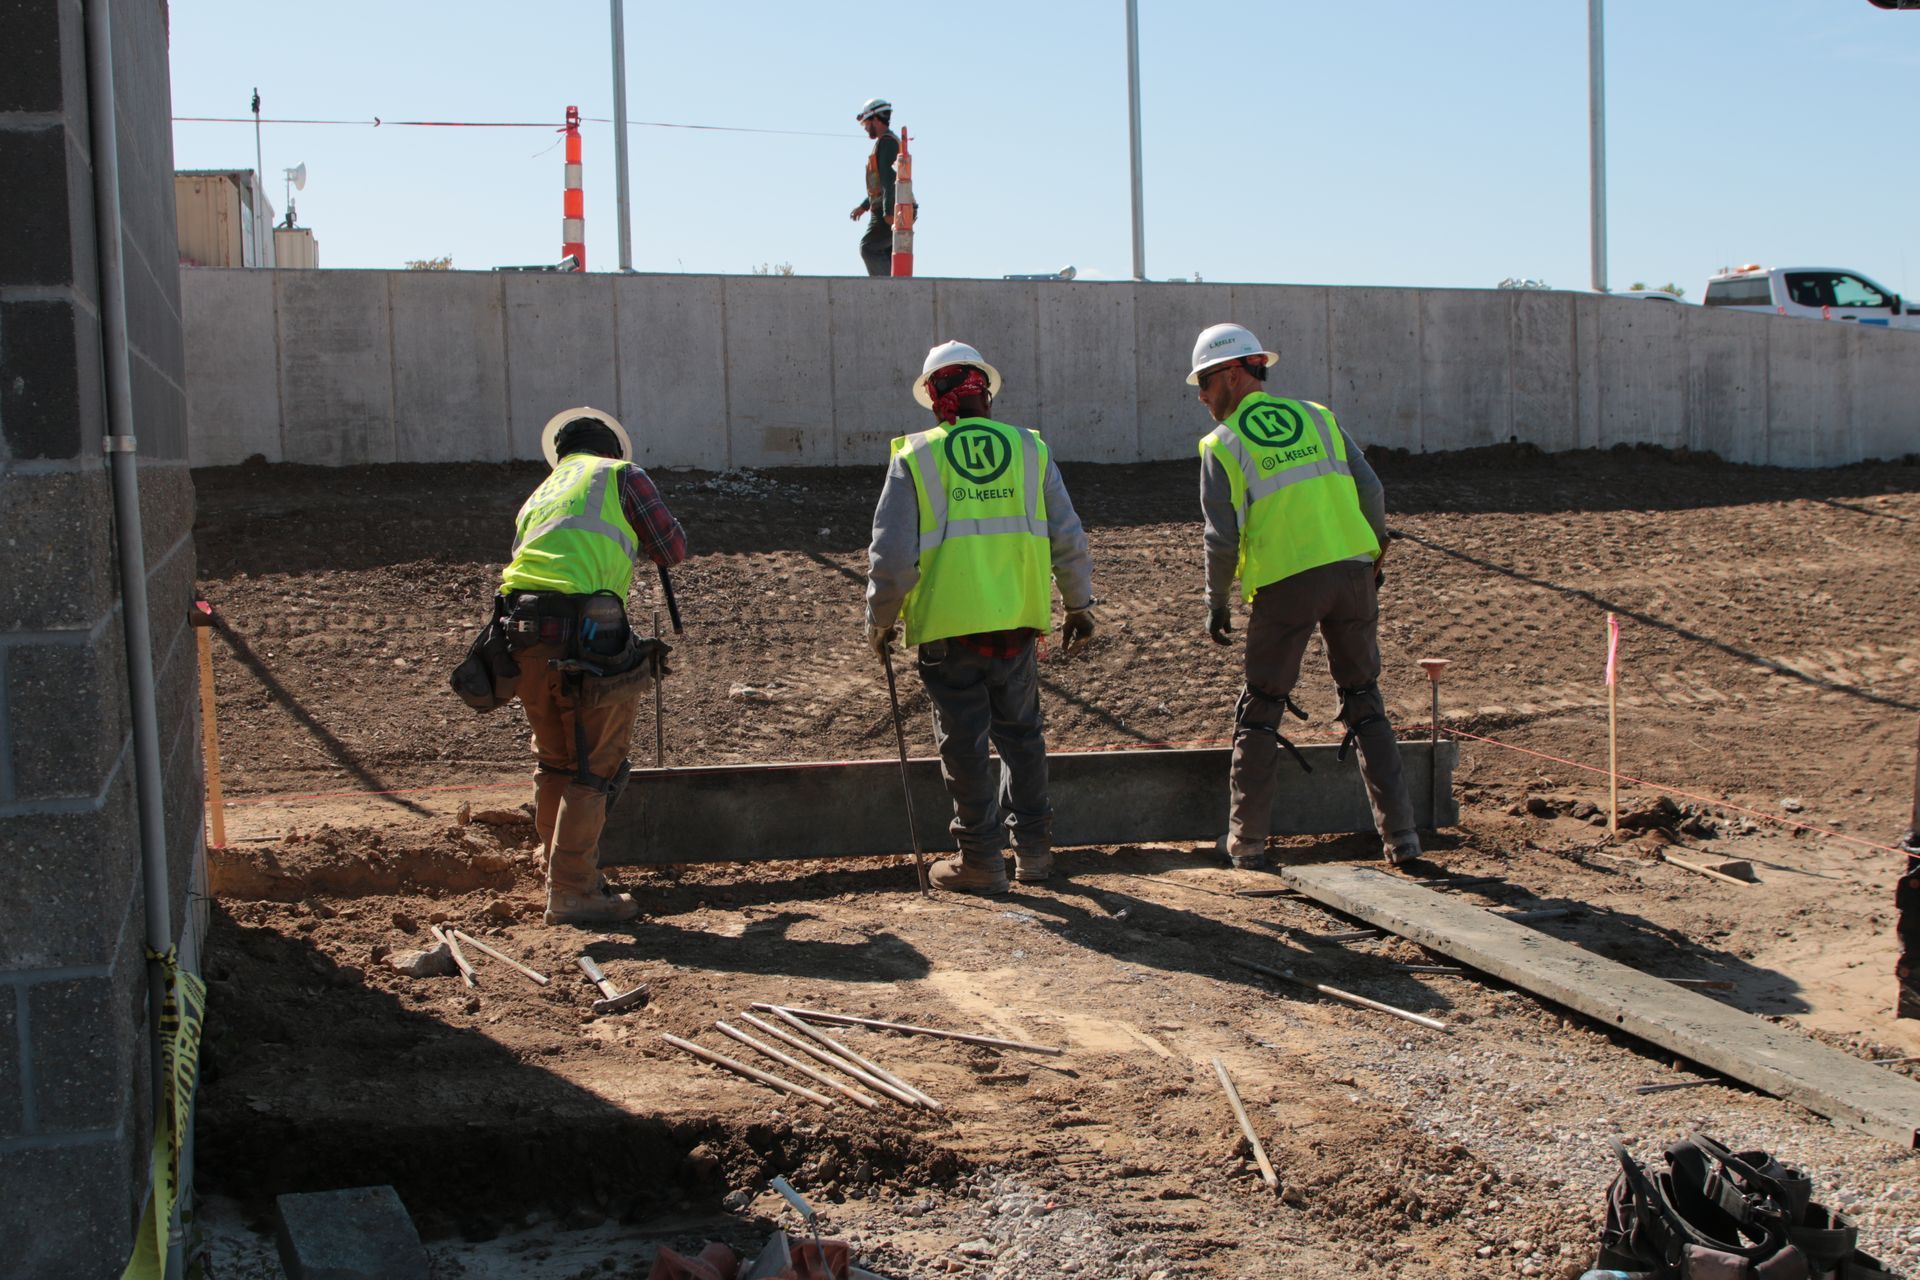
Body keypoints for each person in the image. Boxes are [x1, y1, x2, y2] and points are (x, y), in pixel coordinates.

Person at [1187, 323, 1421, 871]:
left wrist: (1216, 601)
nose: (1200, 395)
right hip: (1353, 573)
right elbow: (1371, 490)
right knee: (1365, 700)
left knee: (1262, 708)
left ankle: (1247, 844)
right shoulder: (1318, 417)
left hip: (1288, 582)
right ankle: (1403, 839)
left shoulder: (1222, 444)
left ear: (1233, 372)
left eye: (1203, 381)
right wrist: (1375, 553)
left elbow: (1221, 538)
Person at [865, 341, 1097, 893]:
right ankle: (1035, 853)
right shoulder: (1028, 448)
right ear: (985, 394)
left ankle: (981, 861)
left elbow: (891, 555)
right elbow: (1067, 534)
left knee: (964, 743)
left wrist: (880, 620)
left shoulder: (917, 456)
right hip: (1016, 623)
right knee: (1023, 737)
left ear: (933, 397)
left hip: (950, 629)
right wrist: (1079, 603)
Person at [498, 408, 686, 925]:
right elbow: (672, 546)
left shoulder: (540, 493)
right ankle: (574, 890)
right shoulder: (622, 476)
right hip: (589, 632)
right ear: (610, 450)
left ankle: (554, 867)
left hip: (522, 633)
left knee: (555, 758)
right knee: (596, 765)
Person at [849, 97, 898, 277]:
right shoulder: (885, 142)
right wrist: (864, 206)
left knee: (869, 248)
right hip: (888, 206)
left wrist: (887, 212)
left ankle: (886, 292)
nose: (865, 128)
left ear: (875, 119)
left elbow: (888, 179)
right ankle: (895, 291)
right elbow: (878, 184)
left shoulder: (887, 143)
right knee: (886, 253)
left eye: (866, 123)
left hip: (888, 209)